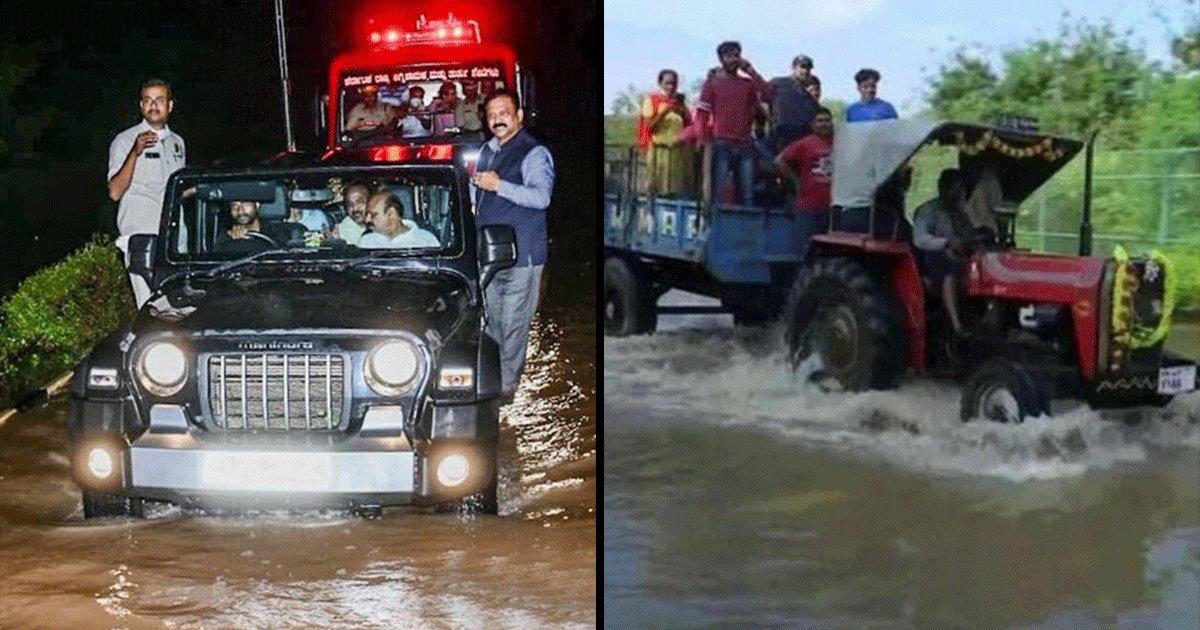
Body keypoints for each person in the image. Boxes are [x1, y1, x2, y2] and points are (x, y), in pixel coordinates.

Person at [471, 90, 555, 401]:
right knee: (492, 324)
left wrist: (499, 186)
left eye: (504, 112)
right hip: (492, 257)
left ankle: (506, 395)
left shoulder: (534, 153)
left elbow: (541, 197)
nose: (497, 119)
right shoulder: (487, 151)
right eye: (492, 114)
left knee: (513, 329)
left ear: (519, 116)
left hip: (523, 258)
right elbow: (479, 195)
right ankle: (494, 389)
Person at [108, 78, 187, 308]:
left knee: (178, 307)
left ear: (170, 105)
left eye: (159, 100)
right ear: (141, 106)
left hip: (174, 241)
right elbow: (114, 191)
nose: (154, 105)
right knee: (151, 309)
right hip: (144, 239)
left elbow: (176, 191)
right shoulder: (124, 141)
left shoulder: (177, 143)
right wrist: (135, 152)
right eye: (148, 100)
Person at [696, 41, 773, 206]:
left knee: (747, 193)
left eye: (736, 55)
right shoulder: (712, 83)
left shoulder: (748, 84)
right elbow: (702, 113)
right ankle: (716, 228)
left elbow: (768, 95)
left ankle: (745, 229)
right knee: (718, 192)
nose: (733, 60)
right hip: (721, 142)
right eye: (729, 56)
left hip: (745, 143)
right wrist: (703, 137)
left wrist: (751, 71)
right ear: (721, 59)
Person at [913, 169, 974, 336]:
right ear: (944, 187)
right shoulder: (928, 211)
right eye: (955, 188)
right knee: (949, 267)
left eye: (960, 189)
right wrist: (946, 242)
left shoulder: (959, 214)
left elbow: (968, 233)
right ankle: (957, 327)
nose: (958, 193)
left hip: (957, 257)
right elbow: (919, 239)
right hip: (932, 260)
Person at [775, 106, 834, 257]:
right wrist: (795, 181)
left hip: (832, 208)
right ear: (813, 124)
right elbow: (779, 161)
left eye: (827, 120)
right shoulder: (805, 144)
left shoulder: (838, 143)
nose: (824, 124)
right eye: (820, 121)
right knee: (805, 253)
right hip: (808, 207)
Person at [636, 69, 694, 196]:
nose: (671, 87)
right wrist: (665, 111)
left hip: (678, 151)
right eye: (667, 83)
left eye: (674, 83)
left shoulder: (680, 103)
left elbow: (689, 125)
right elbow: (649, 126)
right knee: (657, 187)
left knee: (676, 189)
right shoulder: (652, 100)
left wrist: (681, 109)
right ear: (660, 83)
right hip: (659, 150)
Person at [768, 54, 817, 152]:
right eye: (802, 67)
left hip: (801, 142)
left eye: (808, 68)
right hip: (779, 139)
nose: (806, 71)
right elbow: (762, 100)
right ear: (794, 67)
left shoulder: (809, 97)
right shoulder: (778, 83)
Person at [358, 191, 440, 249]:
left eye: (373, 215)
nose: (367, 220)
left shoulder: (426, 240)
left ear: (391, 214)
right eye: (367, 214)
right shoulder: (365, 242)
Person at [212, 201, 285, 254]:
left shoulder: (275, 232)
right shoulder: (226, 235)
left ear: (257, 205)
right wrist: (233, 241)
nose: (240, 211)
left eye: (246, 204)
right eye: (234, 206)